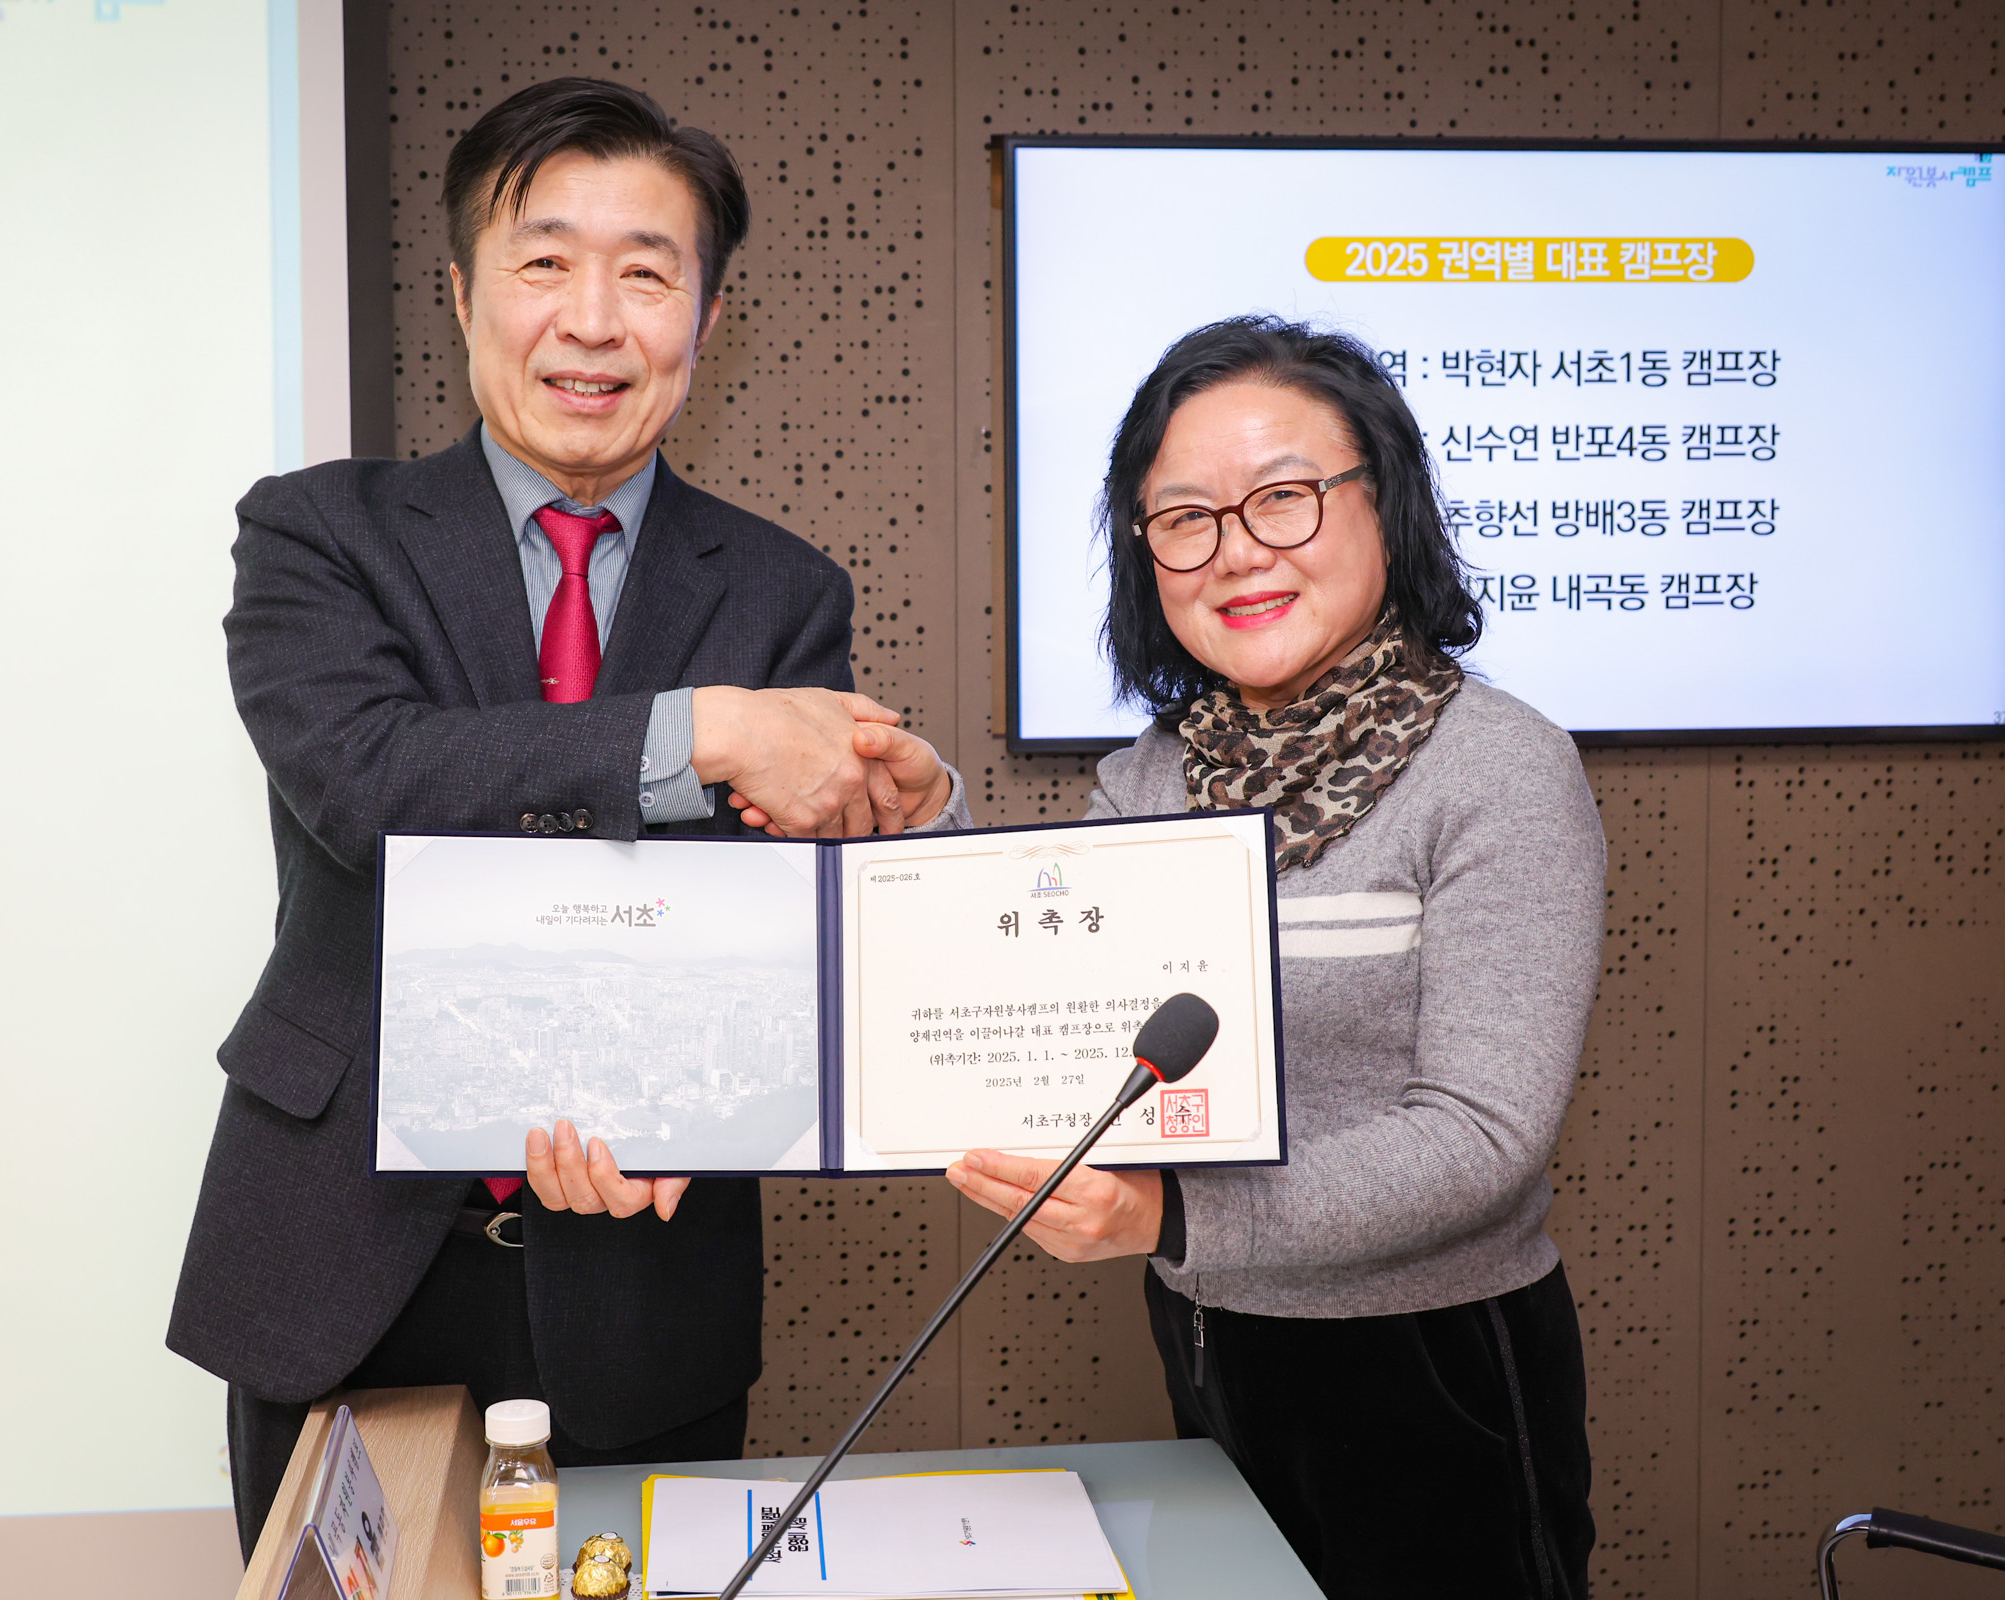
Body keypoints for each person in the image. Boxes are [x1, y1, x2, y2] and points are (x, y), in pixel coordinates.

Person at [167, 78, 955, 1560]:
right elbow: (371, 784)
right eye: (544, 262)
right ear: (463, 295)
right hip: (343, 1249)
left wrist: (890, 807)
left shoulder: (782, 590)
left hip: (642, 1264)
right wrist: (706, 730)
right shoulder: (318, 533)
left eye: (646, 273)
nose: (593, 321)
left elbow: (774, 917)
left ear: (706, 321)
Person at [889, 317, 1605, 1599]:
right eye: (1185, 518)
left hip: (1436, 1364)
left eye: (1282, 497)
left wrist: (1176, 1216)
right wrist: (922, 821)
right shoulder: (1152, 778)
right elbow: (1054, 1002)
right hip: (1213, 1335)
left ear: (1385, 503)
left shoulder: (1498, 766)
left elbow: (1484, 1137)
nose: (1236, 551)